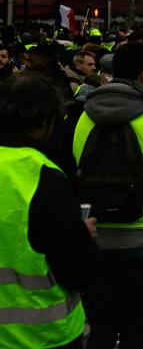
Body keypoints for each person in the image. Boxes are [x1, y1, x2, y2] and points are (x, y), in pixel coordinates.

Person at [72, 42, 143, 349]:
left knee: (100, 328)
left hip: (94, 236)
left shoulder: (83, 118)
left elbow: (67, 176)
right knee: (136, 330)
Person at [0, 74, 97, 349]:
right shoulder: (43, 175)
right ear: (46, 121)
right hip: (42, 334)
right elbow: (78, 270)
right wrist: (81, 235)